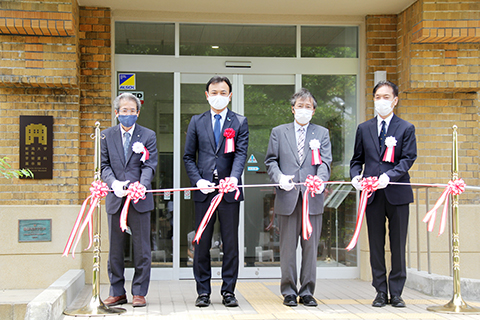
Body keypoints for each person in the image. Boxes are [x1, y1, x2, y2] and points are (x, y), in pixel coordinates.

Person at [183, 76, 249, 308]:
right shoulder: (196, 121)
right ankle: (203, 291)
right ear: (207, 94)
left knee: (230, 243)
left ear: (230, 95)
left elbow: (240, 153)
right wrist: (197, 180)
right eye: (214, 92)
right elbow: (189, 156)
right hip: (204, 192)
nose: (218, 96)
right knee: (202, 242)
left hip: (229, 192)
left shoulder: (239, 121)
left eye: (223, 92)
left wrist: (234, 177)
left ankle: (228, 291)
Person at [350, 80, 417, 308]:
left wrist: (389, 177)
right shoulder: (364, 128)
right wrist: (355, 177)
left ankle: (396, 292)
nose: (381, 101)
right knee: (376, 244)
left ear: (395, 100)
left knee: (397, 245)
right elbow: (356, 160)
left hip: (397, 194)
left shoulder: (406, 128)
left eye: (386, 97)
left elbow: (408, 158)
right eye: (378, 97)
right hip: (372, 197)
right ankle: (380, 290)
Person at [264, 88, 332, 307]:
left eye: (308, 106)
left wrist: (320, 179)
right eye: (300, 106)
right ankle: (289, 291)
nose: (304, 110)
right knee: (287, 248)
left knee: (311, 248)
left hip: (312, 198)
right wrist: (279, 177)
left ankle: (308, 291)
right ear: (293, 109)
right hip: (287, 197)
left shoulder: (321, 133)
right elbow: (270, 161)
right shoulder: (278, 132)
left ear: (314, 111)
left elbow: (325, 162)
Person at [101, 92, 158, 308]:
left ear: (138, 113)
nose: (128, 114)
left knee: (142, 248)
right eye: (124, 111)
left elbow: (150, 164)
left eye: (132, 111)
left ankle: (139, 292)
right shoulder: (106, 136)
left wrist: (141, 186)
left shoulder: (148, 135)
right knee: (115, 248)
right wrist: (114, 184)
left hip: (139, 199)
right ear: (117, 113)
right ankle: (117, 291)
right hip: (116, 197)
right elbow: (104, 165)